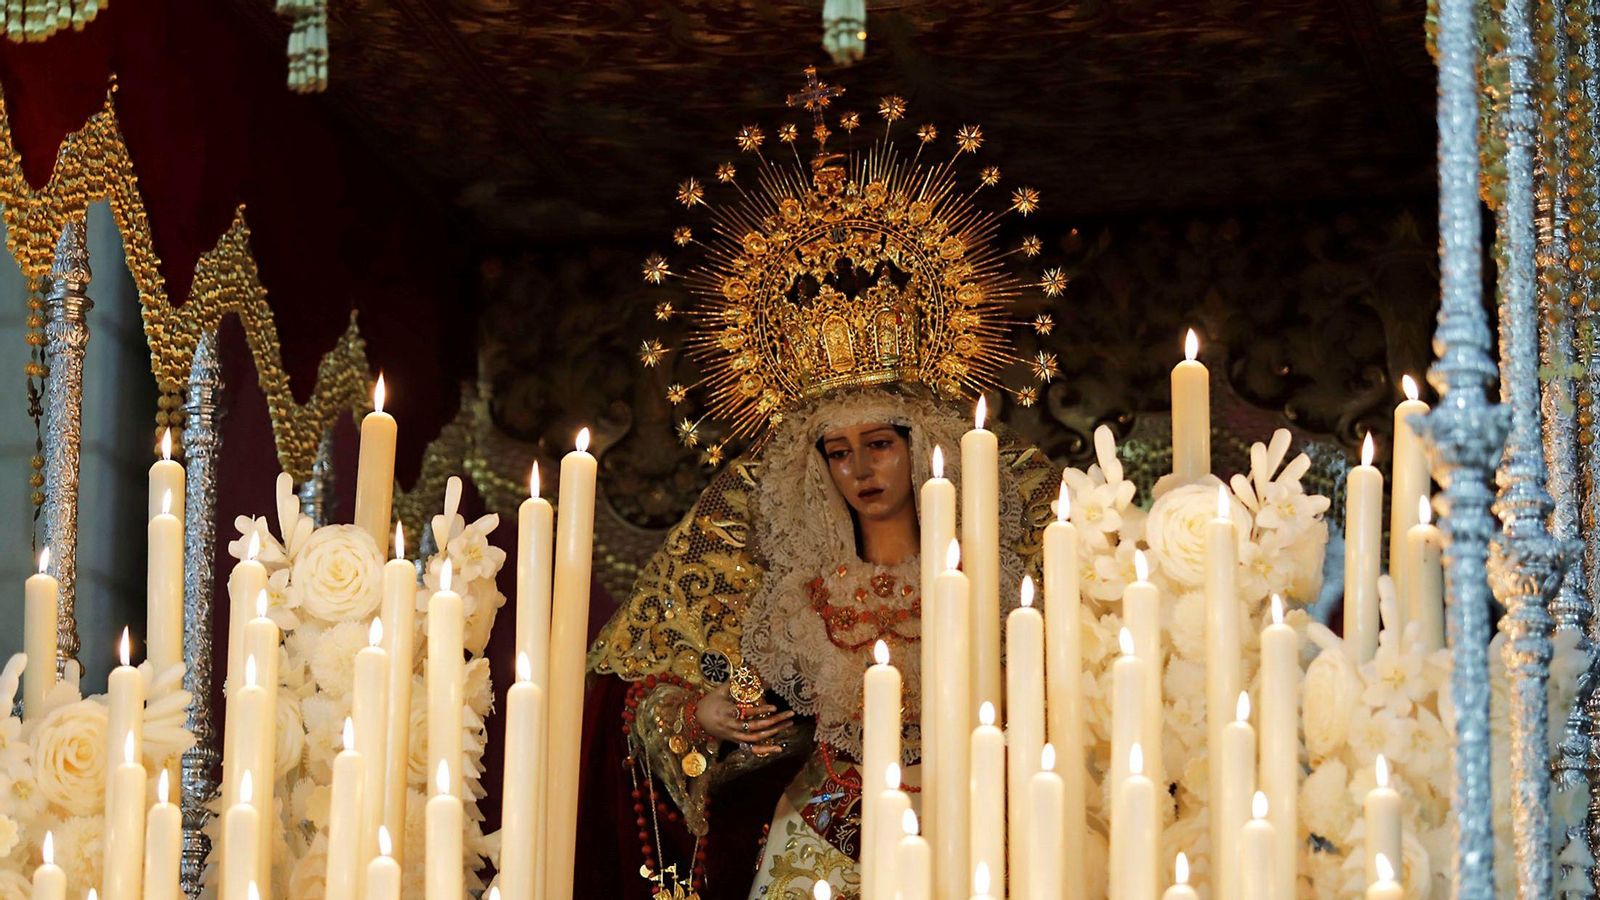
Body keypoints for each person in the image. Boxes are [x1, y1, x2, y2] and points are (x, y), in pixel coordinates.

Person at [573, 68, 1059, 899]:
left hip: (985, 812)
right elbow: (643, 684)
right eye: (837, 452)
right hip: (826, 830)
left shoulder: (1013, 555)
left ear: (923, 446)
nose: (861, 469)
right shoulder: (787, 577)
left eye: (880, 444)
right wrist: (703, 716)